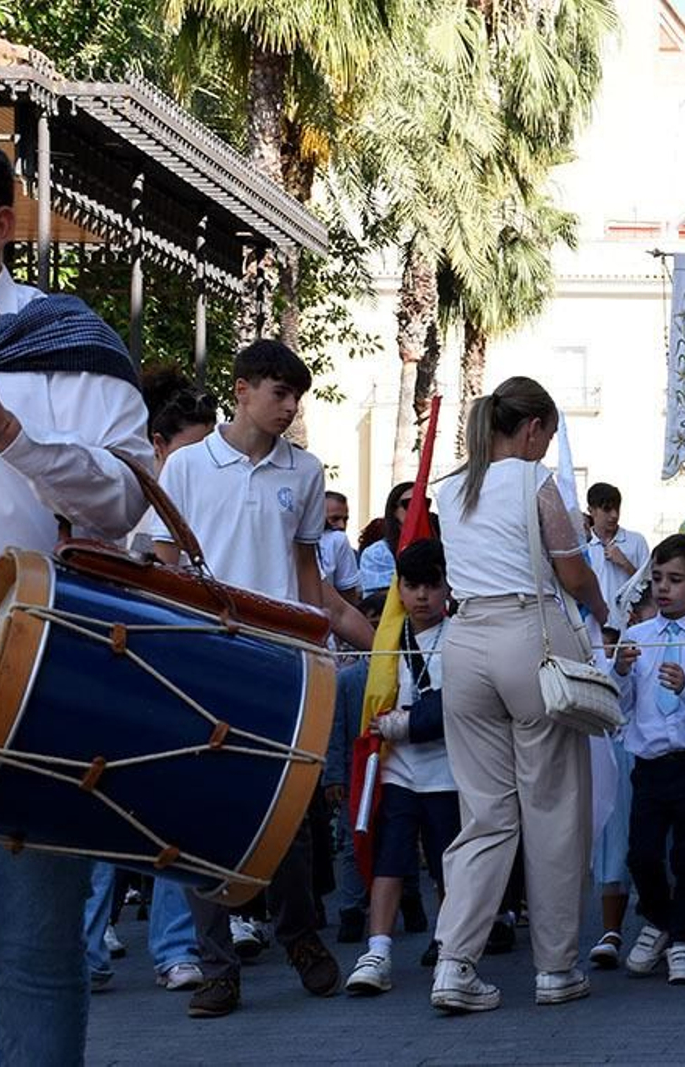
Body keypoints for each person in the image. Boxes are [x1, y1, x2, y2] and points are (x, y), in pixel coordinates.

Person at [0, 133, 151, 1064]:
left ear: (0, 226)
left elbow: (123, 497)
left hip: (32, 690)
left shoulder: (68, 344)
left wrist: (4, 426)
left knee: (34, 957)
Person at [151, 339, 345, 1017]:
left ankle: (299, 933)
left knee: (287, 810)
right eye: (278, 393)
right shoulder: (185, 467)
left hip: (279, 661)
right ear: (241, 389)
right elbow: (162, 562)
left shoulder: (307, 470)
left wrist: (332, 641)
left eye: (296, 396)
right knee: (201, 810)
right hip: (202, 660)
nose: (289, 407)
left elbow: (305, 577)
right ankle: (216, 965)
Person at [429, 376, 609, 1013]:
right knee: (553, 809)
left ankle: (454, 962)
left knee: (484, 815)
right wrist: (601, 607)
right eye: (548, 436)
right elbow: (570, 568)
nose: (546, 447)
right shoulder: (535, 482)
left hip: (464, 642)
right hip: (529, 638)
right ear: (533, 428)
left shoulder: (448, 489)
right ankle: (556, 969)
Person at [83, 368, 213, 995]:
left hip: (171, 666)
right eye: (192, 448)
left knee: (170, 812)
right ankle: (87, 948)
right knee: (101, 805)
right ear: (159, 446)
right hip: (116, 666)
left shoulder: (190, 497)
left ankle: (173, 949)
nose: (202, 461)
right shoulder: (121, 496)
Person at [346, 540, 459, 995]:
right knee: (389, 858)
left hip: (449, 770)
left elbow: (460, 705)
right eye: (411, 586)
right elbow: (338, 613)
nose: (422, 596)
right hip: (398, 770)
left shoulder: (462, 637)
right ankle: (378, 949)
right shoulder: (388, 637)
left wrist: (409, 725)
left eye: (432, 585)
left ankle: (452, 944)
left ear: (447, 585)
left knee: (447, 864)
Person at [611, 534, 685, 985]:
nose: (663, 588)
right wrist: (618, 671)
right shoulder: (636, 637)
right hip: (651, 766)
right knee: (642, 854)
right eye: (657, 578)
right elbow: (619, 706)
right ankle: (659, 919)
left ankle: (683, 940)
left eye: (675, 580)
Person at [326, 590, 389, 944]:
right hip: (355, 772)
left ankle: (408, 900)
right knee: (352, 840)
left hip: (392, 768)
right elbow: (336, 732)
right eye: (371, 626)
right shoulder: (347, 680)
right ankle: (351, 909)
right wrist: (332, 776)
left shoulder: (401, 673)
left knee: (396, 839)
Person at [585, 482, 650, 625]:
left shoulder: (636, 541)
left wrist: (625, 564)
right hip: (593, 628)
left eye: (617, 508)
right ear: (591, 510)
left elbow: (650, 588)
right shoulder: (582, 545)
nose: (614, 515)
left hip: (628, 626)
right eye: (607, 509)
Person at [358, 481, 414, 595]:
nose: (417, 509)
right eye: (409, 504)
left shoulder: (438, 547)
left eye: (425, 503)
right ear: (394, 510)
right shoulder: (377, 553)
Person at [320, 490, 361, 606]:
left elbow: (348, 598)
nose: (342, 526)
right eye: (334, 519)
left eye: (345, 519)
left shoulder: (339, 541)